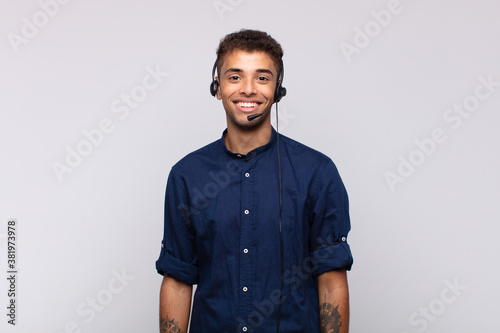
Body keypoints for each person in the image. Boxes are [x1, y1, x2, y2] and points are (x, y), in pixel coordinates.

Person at [156, 29, 353, 333]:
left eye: (262, 78)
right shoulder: (186, 175)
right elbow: (178, 280)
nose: (248, 89)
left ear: (278, 89)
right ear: (217, 86)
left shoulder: (317, 172)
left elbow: (330, 277)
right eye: (235, 77)